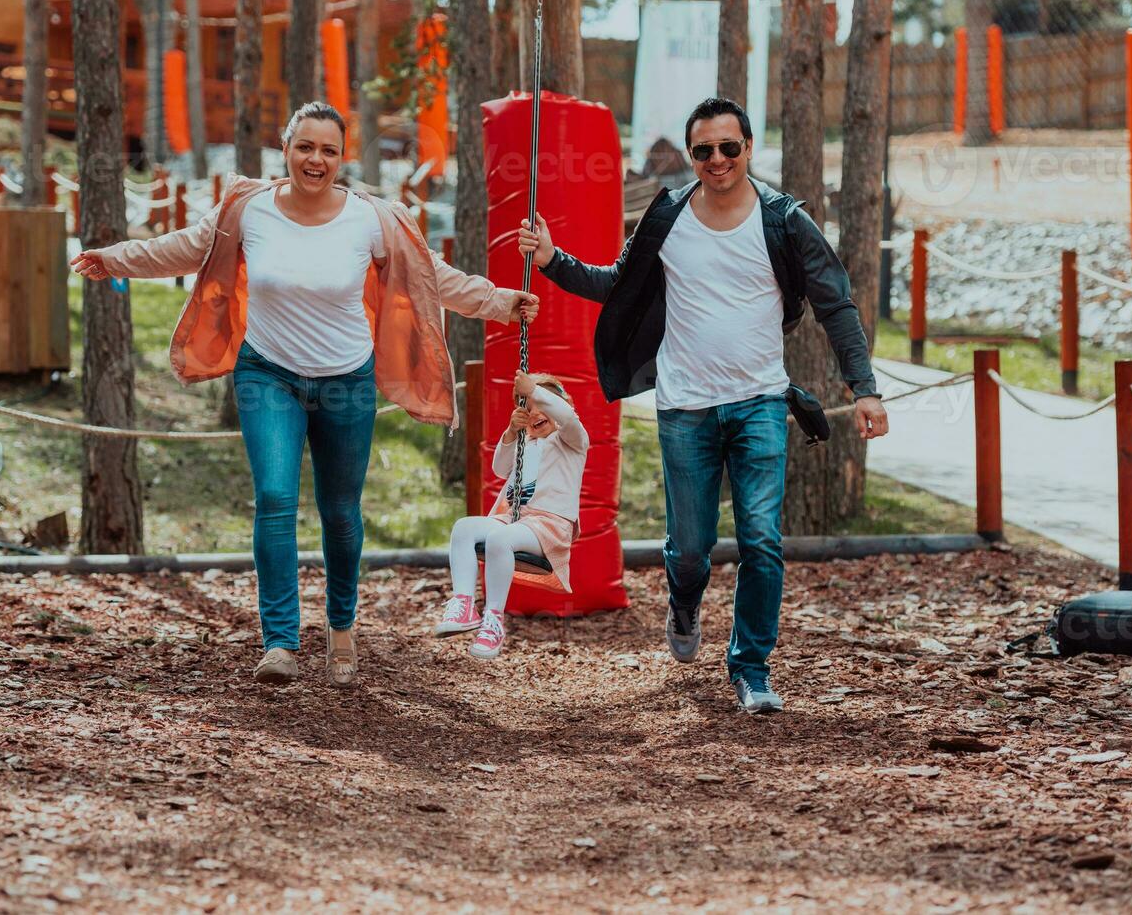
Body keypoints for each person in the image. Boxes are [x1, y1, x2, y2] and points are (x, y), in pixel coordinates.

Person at [71, 101, 540, 689]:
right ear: (285, 149)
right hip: (268, 375)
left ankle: (341, 627)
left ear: (342, 158)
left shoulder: (373, 220)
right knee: (273, 498)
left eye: (328, 150)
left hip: (346, 382)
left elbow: (431, 278)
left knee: (341, 514)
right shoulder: (249, 210)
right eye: (305, 147)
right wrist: (112, 257)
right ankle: (281, 641)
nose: (315, 159)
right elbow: (185, 246)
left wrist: (499, 301)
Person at [516, 96, 889, 714]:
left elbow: (836, 303)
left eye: (728, 148)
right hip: (685, 408)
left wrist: (865, 388)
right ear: (691, 157)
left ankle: (751, 669)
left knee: (762, 540)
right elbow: (617, 283)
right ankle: (684, 602)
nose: (716, 160)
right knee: (690, 548)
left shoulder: (784, 221)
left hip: (760, 403)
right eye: (703, 151)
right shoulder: (667, 217)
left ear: (748, 148)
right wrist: (553, 261)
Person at [435, 370, 589, 659]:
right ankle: (464, 603)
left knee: (499, 539)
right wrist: (510, 433)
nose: (534, 413)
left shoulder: (572, 441)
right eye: (526, 408)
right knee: (463, 528)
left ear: (562, 403)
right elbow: (500, 469)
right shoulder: (526, 443)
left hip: (548, 524)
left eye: (541, 404)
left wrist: (535, 390)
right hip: (514, 520)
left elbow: (567, 418)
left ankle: (493, 621)